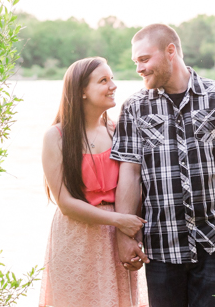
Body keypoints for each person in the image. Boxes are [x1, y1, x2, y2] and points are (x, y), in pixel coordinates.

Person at [111, 24, 215, 307]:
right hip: (160, 245)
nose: (139, 69)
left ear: (170, 51)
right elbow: (129, 175)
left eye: (144, 59)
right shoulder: (134, 107)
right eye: (136, 62)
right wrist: (125, 235)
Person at [39, 56, 149, 307]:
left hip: (116, 236)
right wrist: (119, 220)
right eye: (103, 80)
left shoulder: (117, 130)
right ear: (81, 92)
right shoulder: (56, 137)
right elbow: (65, 203)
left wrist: (130, 234)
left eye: (112, 78)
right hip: (76, 236)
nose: (113, 85)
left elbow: (135, 187)